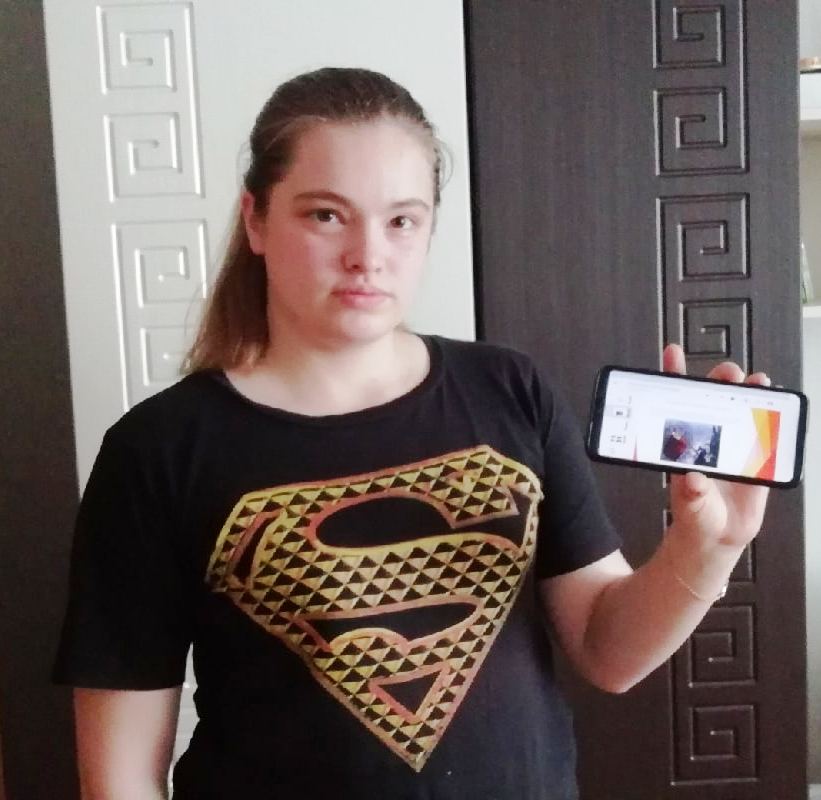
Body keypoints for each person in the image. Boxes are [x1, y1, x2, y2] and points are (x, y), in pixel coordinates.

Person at [53, 67, 771, 800]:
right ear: (256, 220)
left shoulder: (509, 391)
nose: (367, 255)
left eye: (401, 220)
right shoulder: (160, 450)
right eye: (326, 215)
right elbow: (119, 775)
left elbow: (606, 651)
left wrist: (707, 547)